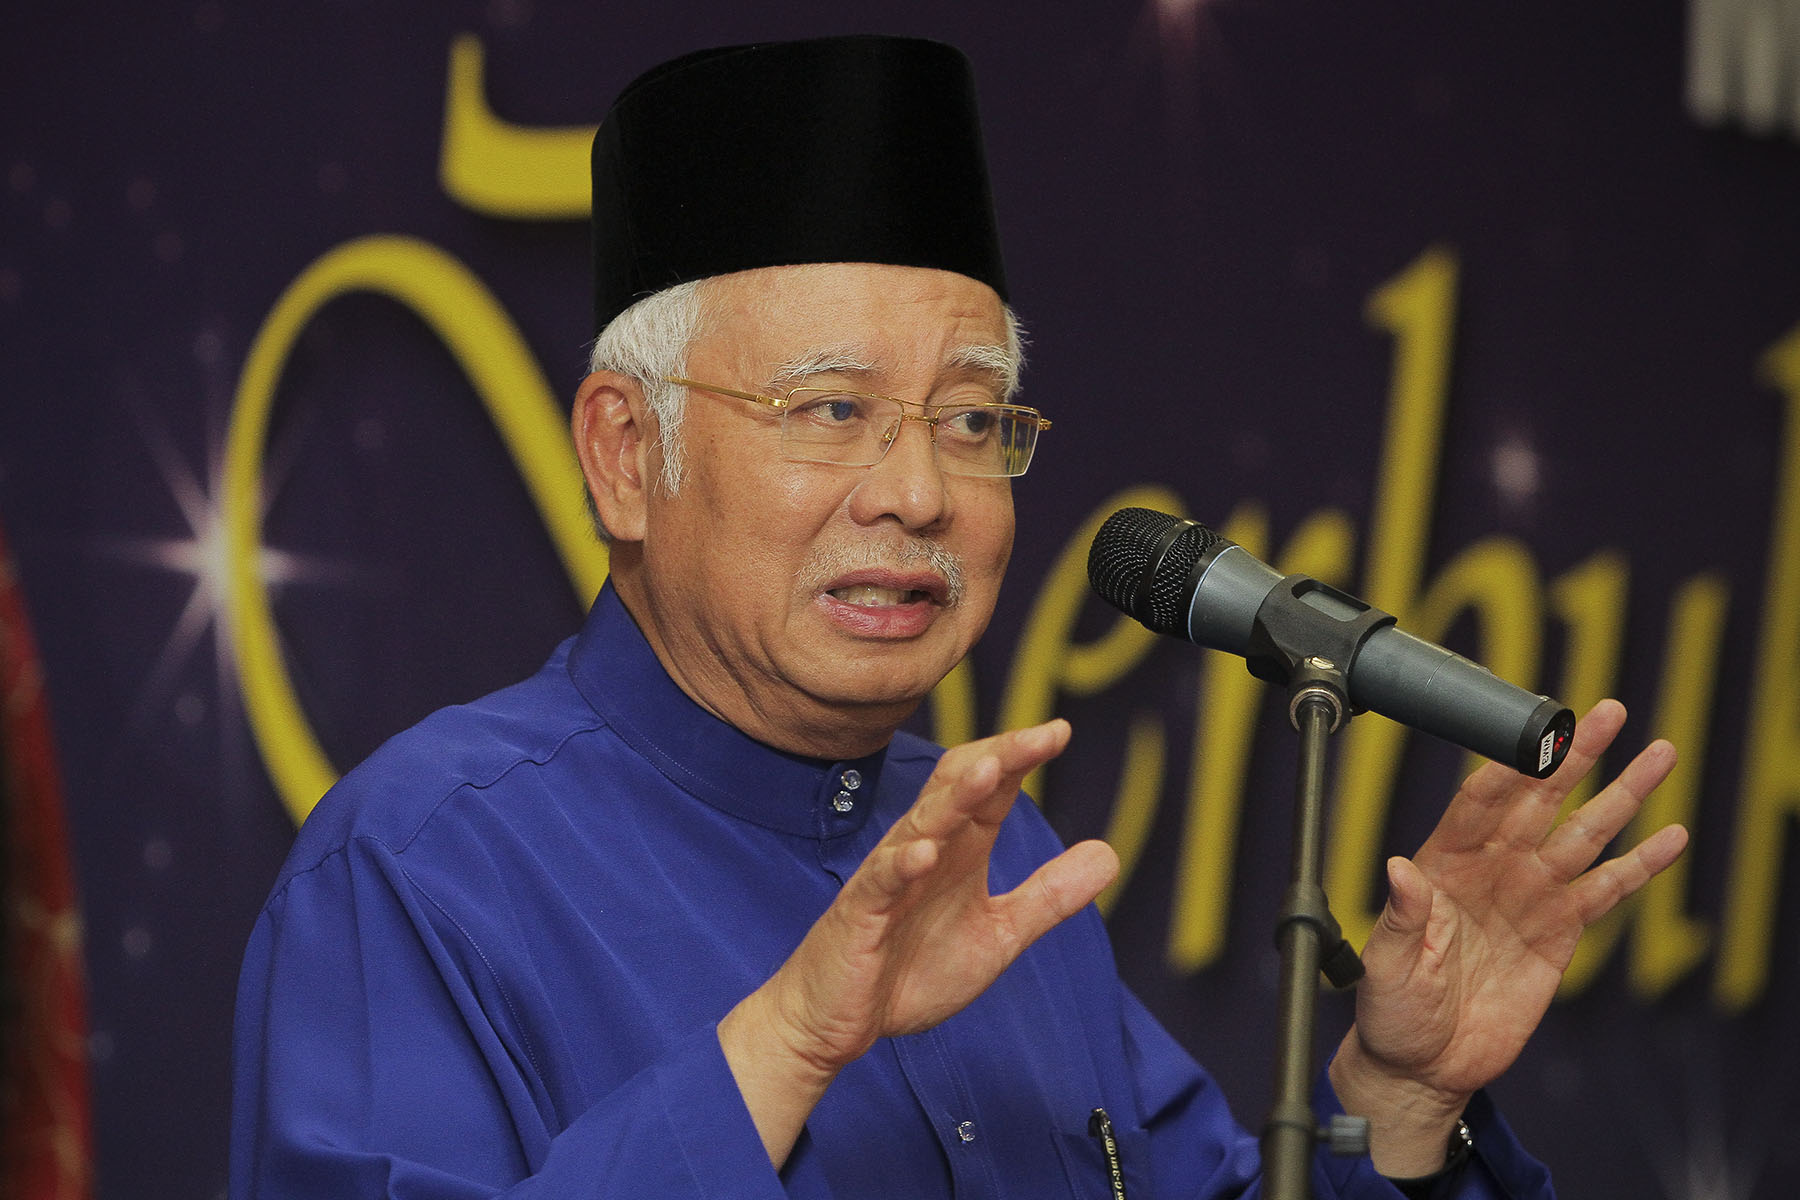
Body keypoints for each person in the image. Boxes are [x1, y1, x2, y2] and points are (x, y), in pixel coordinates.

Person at [229, 35, 1688, 1199]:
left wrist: (1398, 1099)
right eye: (834, 410)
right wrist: (791, 1044)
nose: (919, 492)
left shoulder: (999, 858)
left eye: (976, 420)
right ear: (626, 452)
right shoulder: (419, 872)